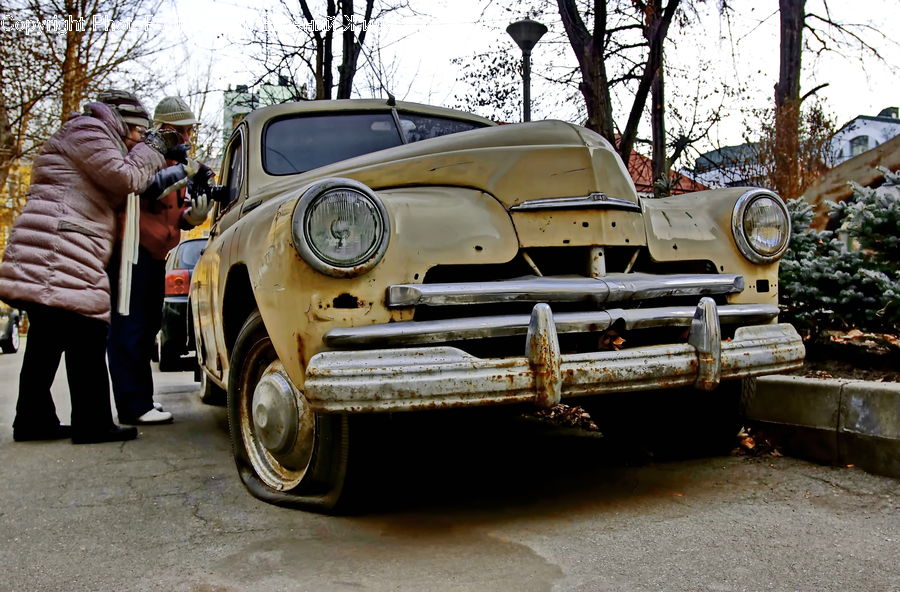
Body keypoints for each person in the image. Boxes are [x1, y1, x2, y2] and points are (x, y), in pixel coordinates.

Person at [0, 90, 168, 444]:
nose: (137, 137)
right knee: (87, 332)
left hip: (55, 246)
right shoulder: (88, 131)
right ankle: (91, 424)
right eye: (136, 129)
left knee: (47, 340)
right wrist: (152, 149)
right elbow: (125, 179)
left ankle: (32, 421)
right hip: (62, 246)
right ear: (120, 120)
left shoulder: (86, 133)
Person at [107, 96, 213, 425]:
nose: (187, 137)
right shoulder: (143, 157)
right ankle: (133, 405)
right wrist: (187, 172)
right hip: (129, 250)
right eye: (183, 130)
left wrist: (192, 217)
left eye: (189, 130)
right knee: (130, 328)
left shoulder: (173, 164)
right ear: (165, 128)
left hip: (154, 253)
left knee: (148, 325)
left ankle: (142, 400)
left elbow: (171, 214)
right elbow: (144, 191)